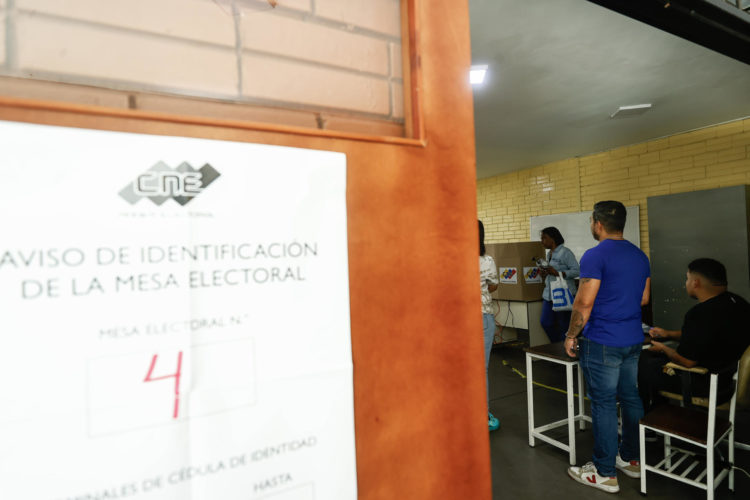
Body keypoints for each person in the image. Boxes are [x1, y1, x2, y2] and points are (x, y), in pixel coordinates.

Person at [564, 201, 651, 493]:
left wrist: (571, 335)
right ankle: (630, 459)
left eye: (591, 221)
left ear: (597, 224)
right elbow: (643, 299)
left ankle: (604, 472)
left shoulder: (594, 255)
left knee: (602, 404)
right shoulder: (639, 256)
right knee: (630, 397)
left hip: (603, 341)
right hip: (632, 339)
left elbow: (584, 302)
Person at [639, 258, 750, 414]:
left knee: (643, 361)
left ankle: (651, 419)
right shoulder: (738, 303)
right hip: (728, 380)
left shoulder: (700, 314)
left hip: (705, 384)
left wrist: (663, 348)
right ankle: (659, 414)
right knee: (654, 360)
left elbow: (686, 361)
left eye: (687, 278)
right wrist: (669, 334)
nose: (686, 283)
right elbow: (704, 335)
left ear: (695, 282)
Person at [539, 226, 580, 342]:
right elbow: (551, 272)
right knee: (546, 322)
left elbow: (577, 271)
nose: (542, 241)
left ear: (553, 238)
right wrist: (545, 273)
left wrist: (558, 273)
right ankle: (557, 345)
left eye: (544, 238)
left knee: (564, 326)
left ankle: (563, 352)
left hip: (564, 295)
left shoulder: (565, 253)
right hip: (549, 295)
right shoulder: (549, 254)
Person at [479, 220, 500, 432]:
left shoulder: (450, 259)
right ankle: (482, 414)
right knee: (480, 369)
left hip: (456, 320)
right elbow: (493, 285)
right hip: (482, 316)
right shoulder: (487, 261)